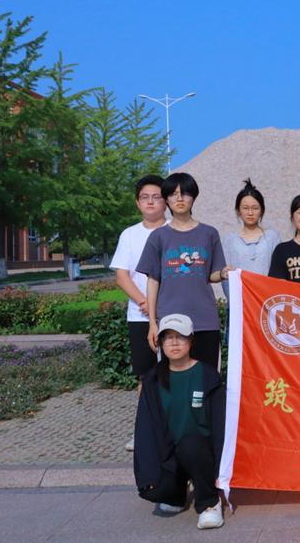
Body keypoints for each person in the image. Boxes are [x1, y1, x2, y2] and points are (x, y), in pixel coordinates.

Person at [134, 313, 225, 530]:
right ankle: (178, 492)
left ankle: (209, 502)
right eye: (168, 337)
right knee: (157, 492)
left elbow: (221, 427)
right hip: (169, 453)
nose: (174, 343)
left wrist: (221, 471)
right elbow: (145, 430)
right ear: (160, 343)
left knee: (190, 445)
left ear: (191, 340)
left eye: (180, 336)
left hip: (201, 452)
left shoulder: (208, 376)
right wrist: (147, 475)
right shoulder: (153, 380)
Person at [136, 172, 229, 370]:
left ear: (193, 197)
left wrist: (222, 274)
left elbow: (212, 274)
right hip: (170, 322)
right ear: (166, 200)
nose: (179, 198)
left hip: (205, 320)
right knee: (172, 379)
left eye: (185, 193)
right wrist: (152, 323)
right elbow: (153, 281)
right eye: (173, 194)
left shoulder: (209, 233)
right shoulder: (158, 237)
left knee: (207, 378)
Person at [110, 174, 167, 451]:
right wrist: (146, 303)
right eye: (145, 197)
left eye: (156, 197)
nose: (151, 202)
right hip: (140, 316)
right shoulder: (129, 234)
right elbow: (122, 276)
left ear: (166, 201)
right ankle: (145, 432)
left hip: (172, 315)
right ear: (137, 203)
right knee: (146, 376)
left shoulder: (175, 231)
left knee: (174, 374)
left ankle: (173, 430)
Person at [222, 178, 281, 297]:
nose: (250, 213)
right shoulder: (230, 240)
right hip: (240, 300)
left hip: (266, 299)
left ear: (262, 211)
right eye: (245, 208)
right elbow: (226, 275)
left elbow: (278, 272)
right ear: (238, 211)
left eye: (255, 208)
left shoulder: (272, 237)